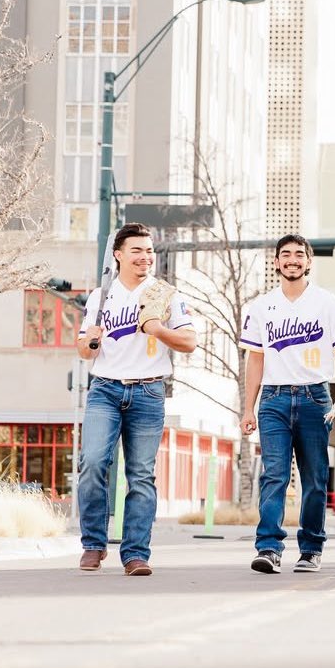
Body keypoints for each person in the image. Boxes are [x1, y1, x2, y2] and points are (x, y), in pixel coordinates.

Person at [76, 222, 197, 576]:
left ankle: (135, 554)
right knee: (94, 463)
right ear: (118, 255)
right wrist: (91, 339)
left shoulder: (165, 294)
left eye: (149, 251)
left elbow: (189, 342)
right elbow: (85, 351)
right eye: (137, 251)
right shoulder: (101, 295)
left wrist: (156, 328)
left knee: (141, 476)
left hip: (148, 390)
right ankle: (94, 545)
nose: (145, 257)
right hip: (105, 389)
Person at [239, 234, 335, 574]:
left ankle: (310, 548)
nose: (292, 260)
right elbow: (255, 359)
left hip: (314, 398)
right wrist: (248, 407)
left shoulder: (326, 302)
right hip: (273, 399)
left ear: (308, 261)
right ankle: (269, 548)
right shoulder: (262, 306)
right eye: (285, 254)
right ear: (276, 262)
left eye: (299, 255)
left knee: (315, 478)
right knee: (274, 476)